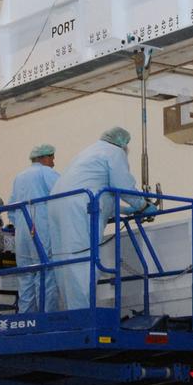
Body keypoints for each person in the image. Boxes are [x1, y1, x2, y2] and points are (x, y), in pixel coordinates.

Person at [47, 128, 152, 310]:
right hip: (81, 205)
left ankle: (70, 310)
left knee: (64, 259)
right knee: (82, 257)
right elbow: (122, 184)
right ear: (123, 144)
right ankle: (83, 313)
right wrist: (142, 205)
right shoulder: (115, 152)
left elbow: (98, 187)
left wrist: (126, 210)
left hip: (57, 204)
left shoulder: (89, 151)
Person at [10, 144, 60, 313]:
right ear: (44, 157)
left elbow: (11, 207)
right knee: (45, 272)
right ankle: (45, 318)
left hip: (21, 229)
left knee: (25, 275)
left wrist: (18, 224)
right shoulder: (46, 172)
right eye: (52, 158)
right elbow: (64, 195)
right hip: (40, 225)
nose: (53, 162)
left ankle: (27, 320)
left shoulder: (19, 177)